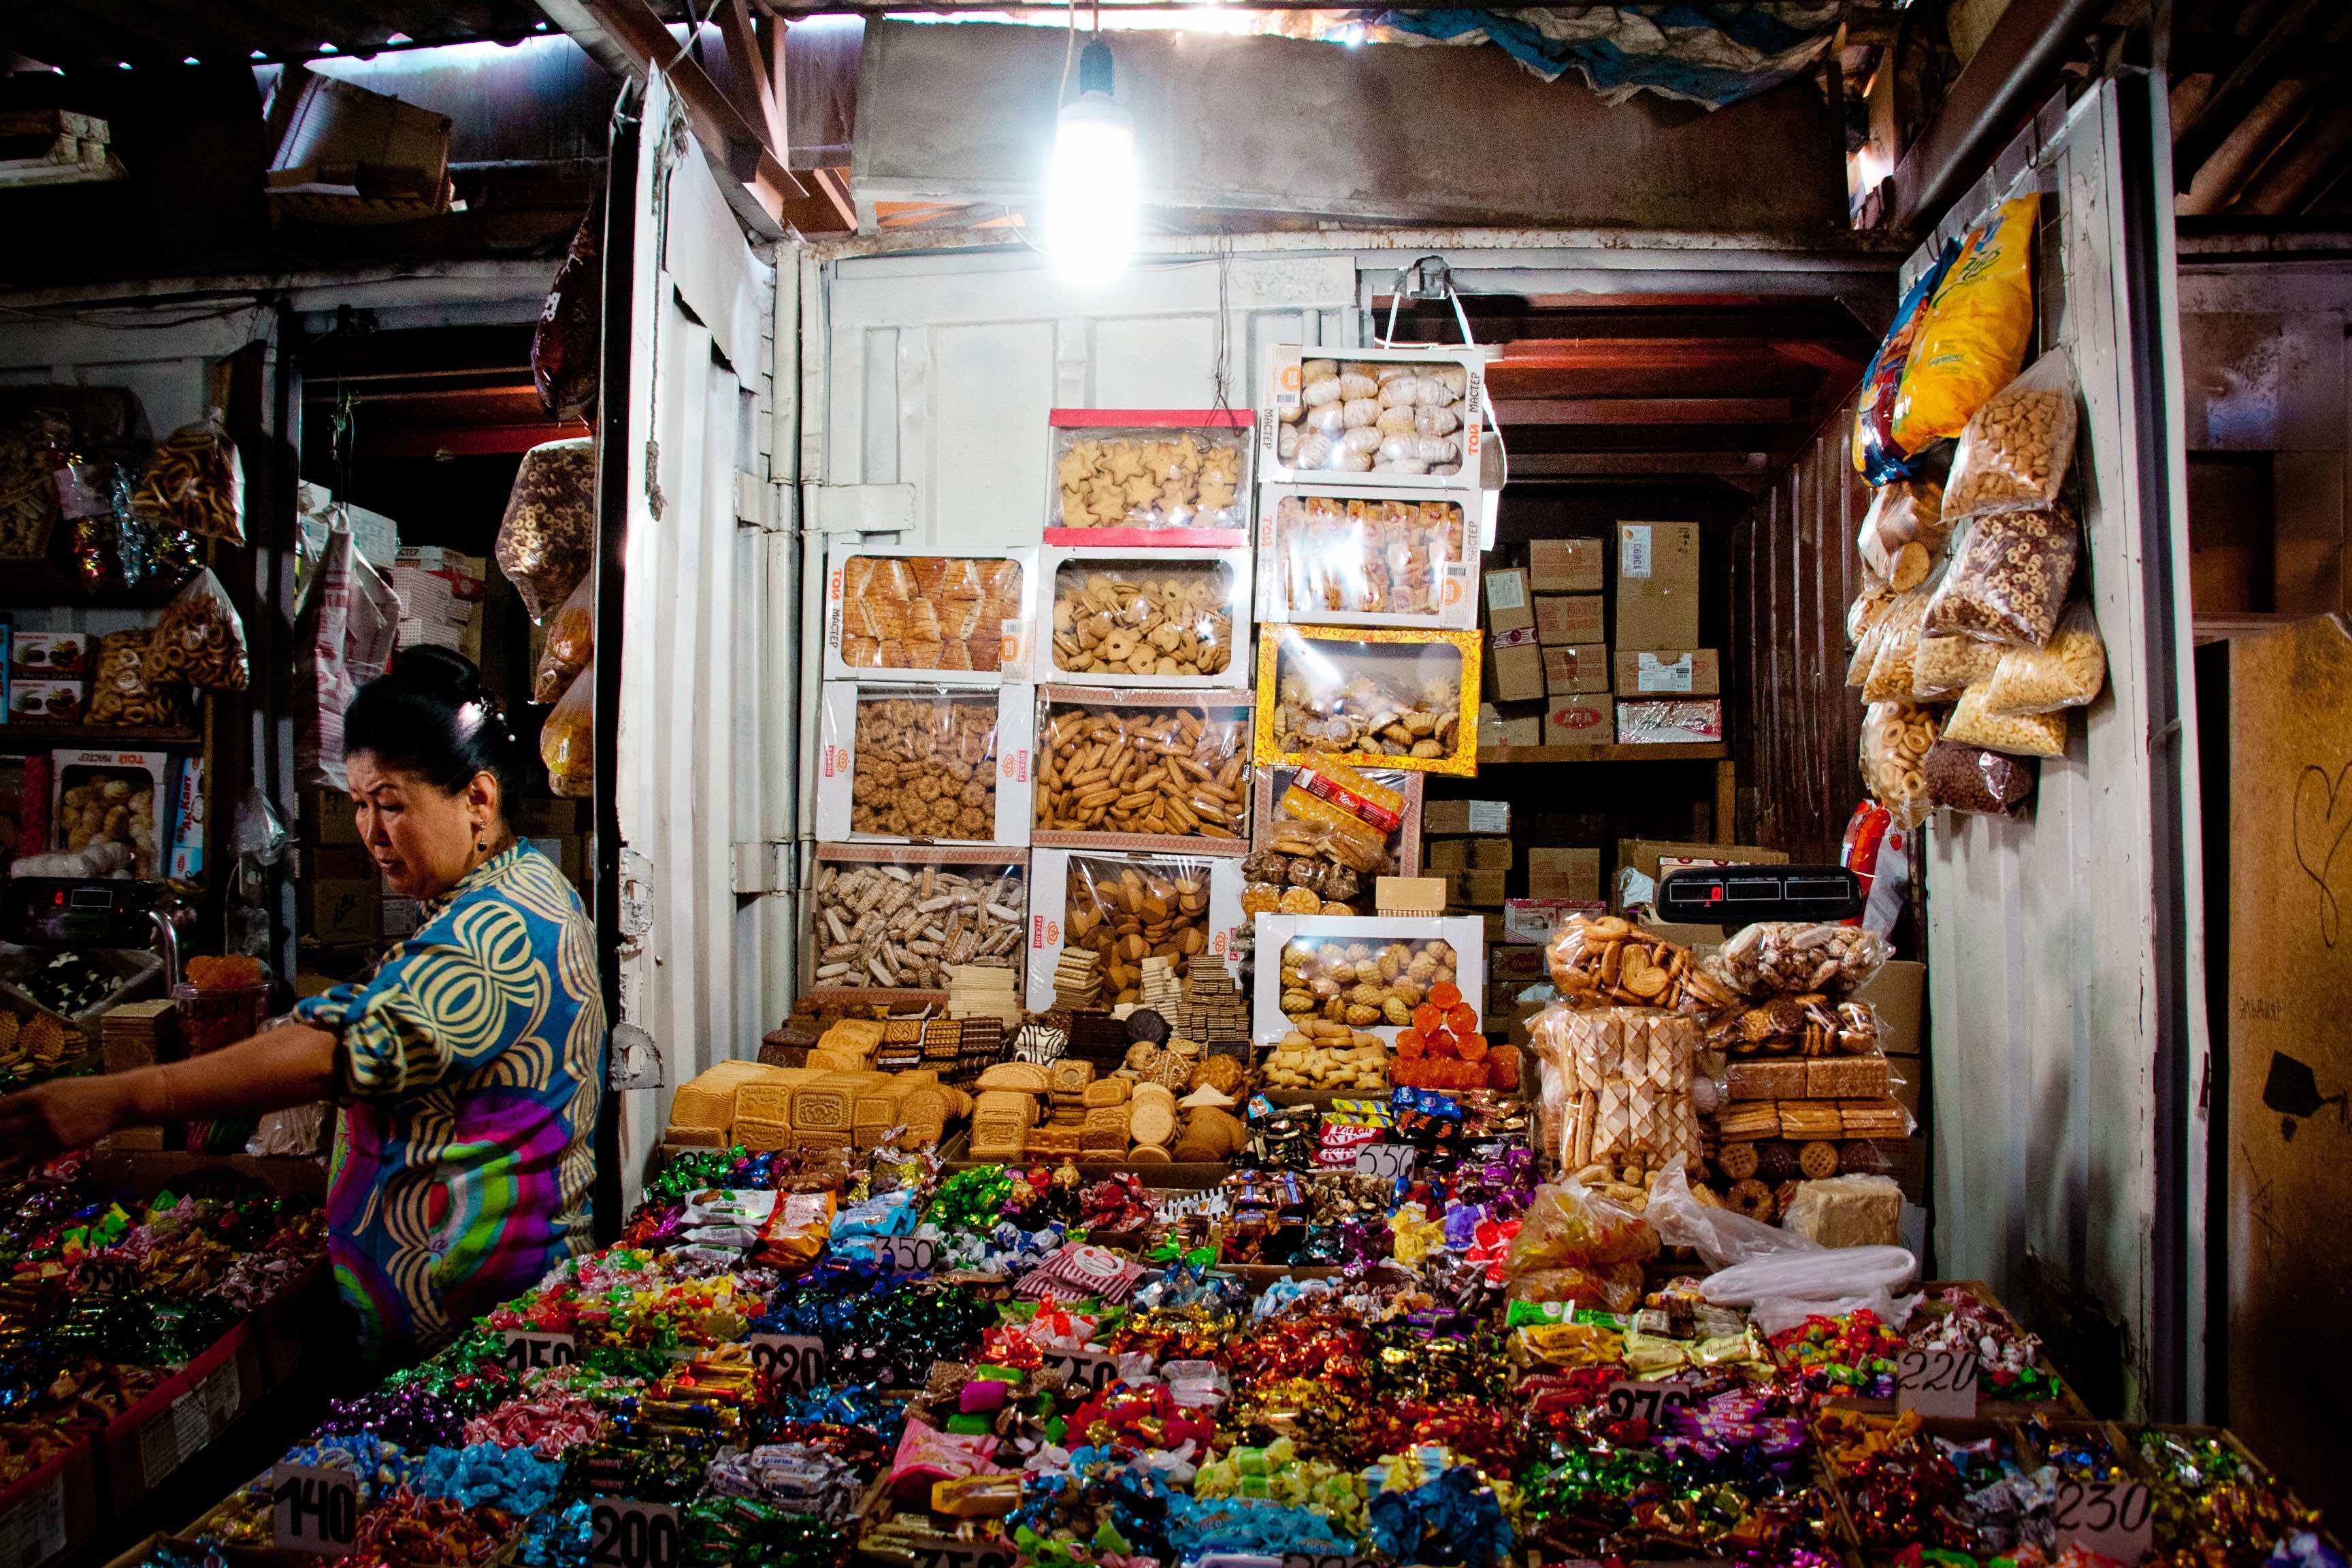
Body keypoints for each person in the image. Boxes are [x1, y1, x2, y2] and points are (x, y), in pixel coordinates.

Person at [0, 648, 605, 1359]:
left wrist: (123, 1097)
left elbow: (342, 1050)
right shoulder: (527, 880)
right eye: (357, 805)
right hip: (479, 1300)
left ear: (478, 800)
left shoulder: (495, 931)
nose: (373, 834)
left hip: (468, 1326)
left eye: (392, 804)